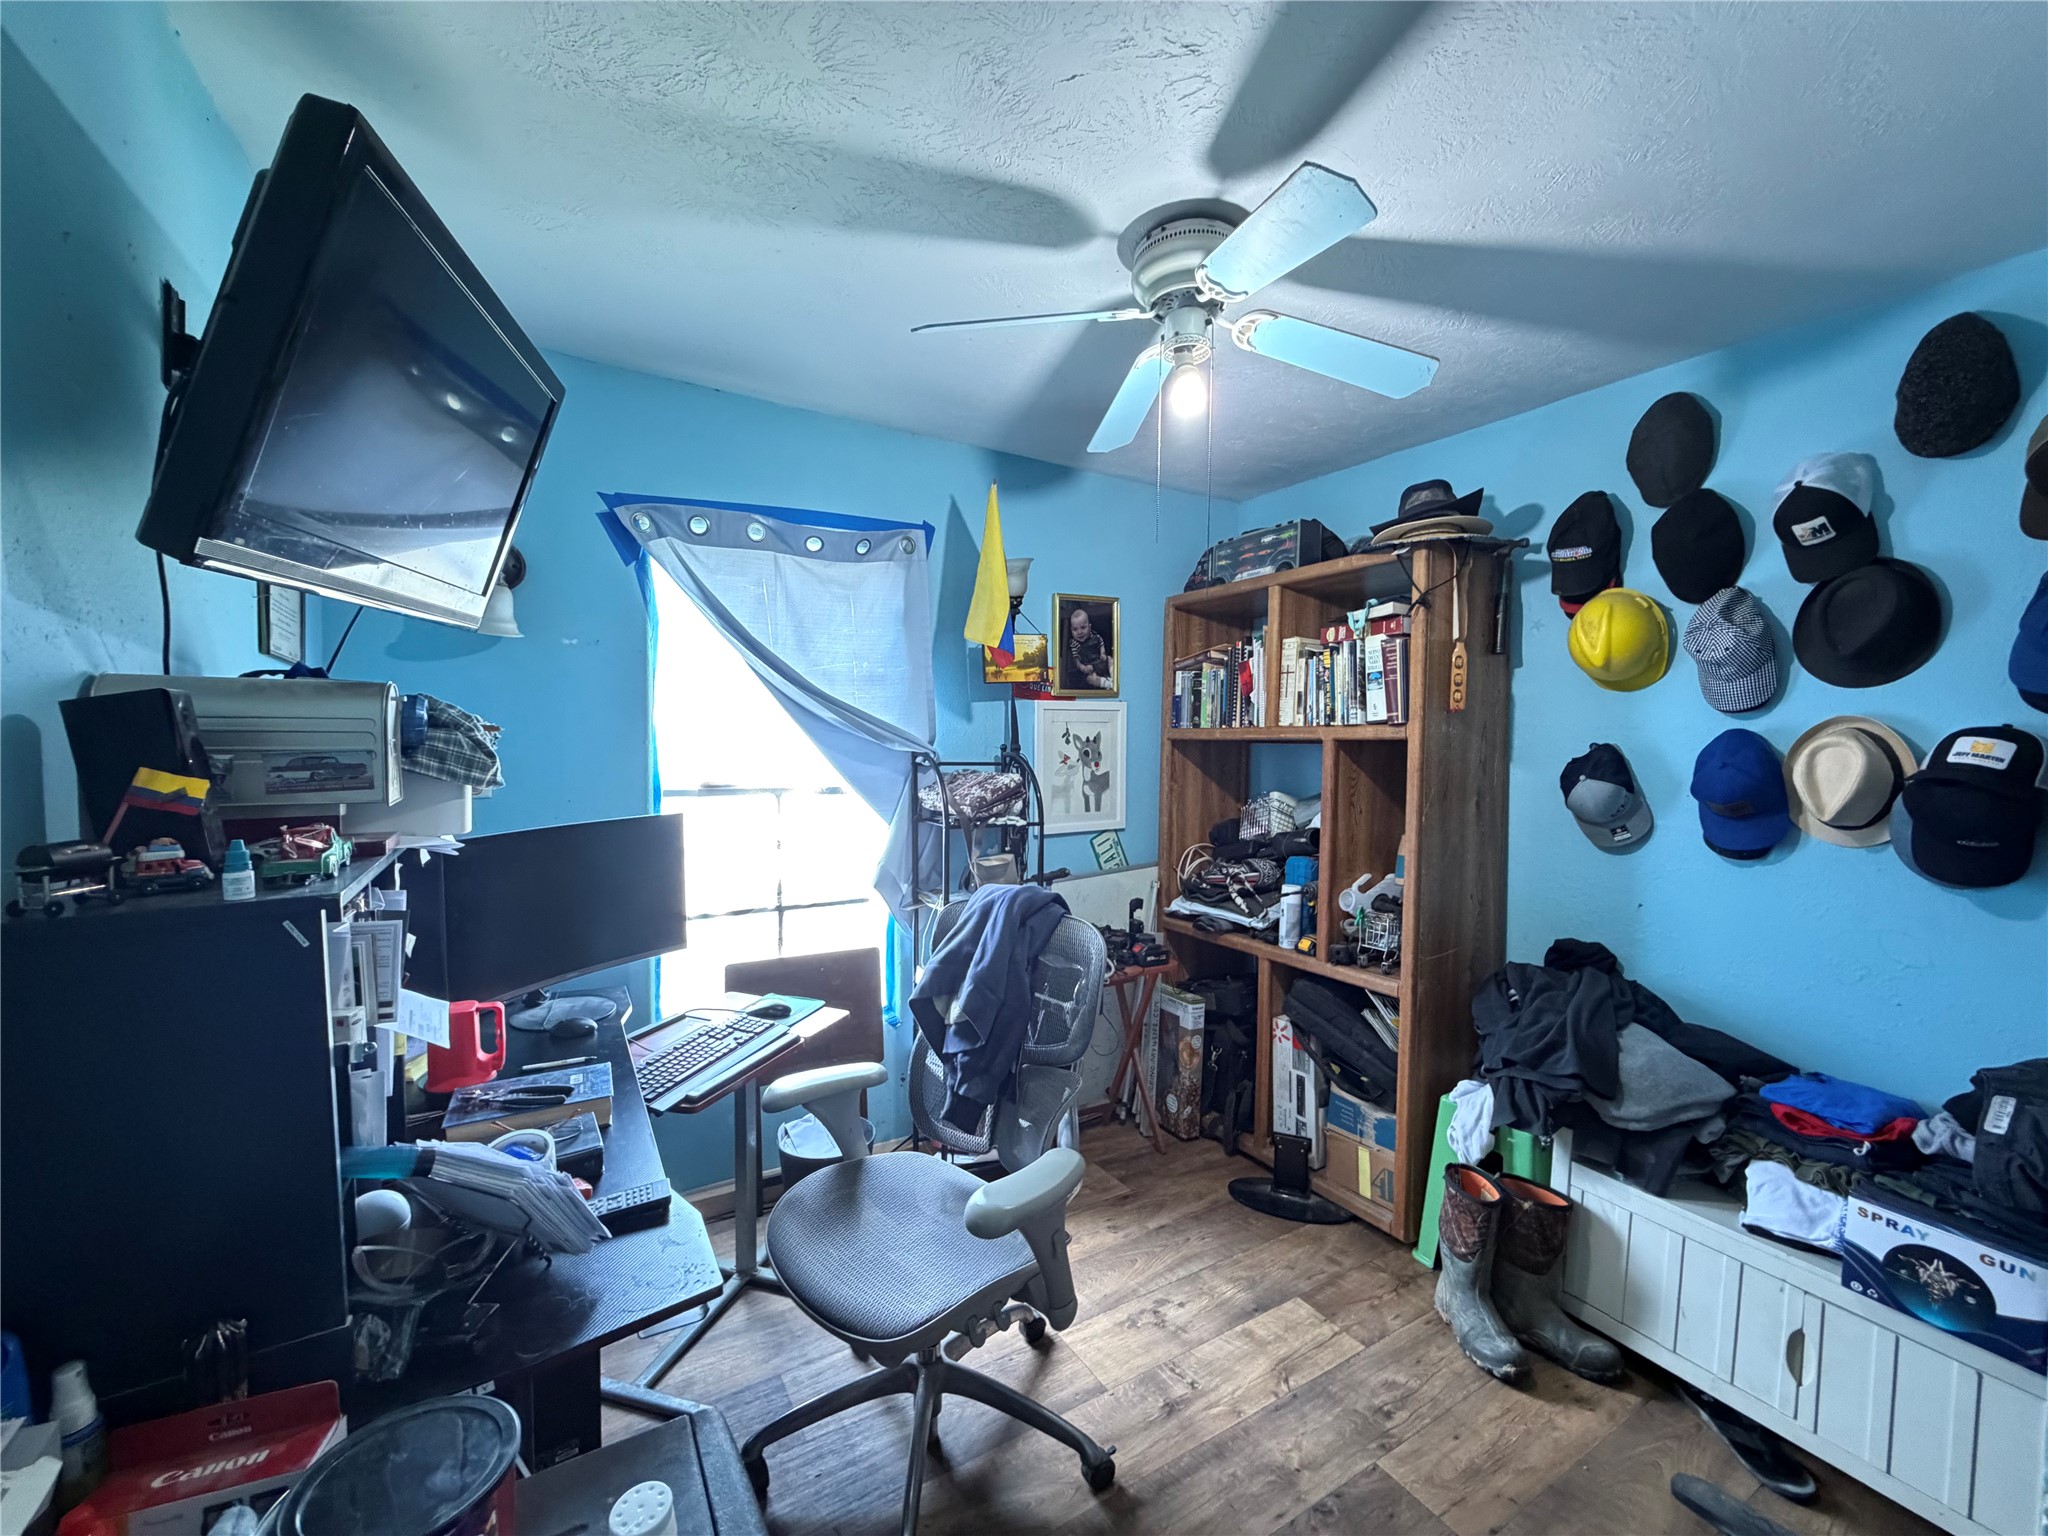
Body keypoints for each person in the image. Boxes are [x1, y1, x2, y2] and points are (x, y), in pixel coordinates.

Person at [1062, 605, 1114, 691]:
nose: (1079, 632)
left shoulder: (1095, 636)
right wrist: (1082, 667)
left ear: (1089, 627)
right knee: (1090, 679)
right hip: (1087, 667)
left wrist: (1102, 652)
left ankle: (1115, 681)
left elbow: (1101, 642)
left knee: (1110, 660)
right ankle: (1107, 684)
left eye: (1083, 627)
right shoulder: (1074, 643)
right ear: (1071, 630)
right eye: (1075, 629)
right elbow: (1076, 659)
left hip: (1099, 662)